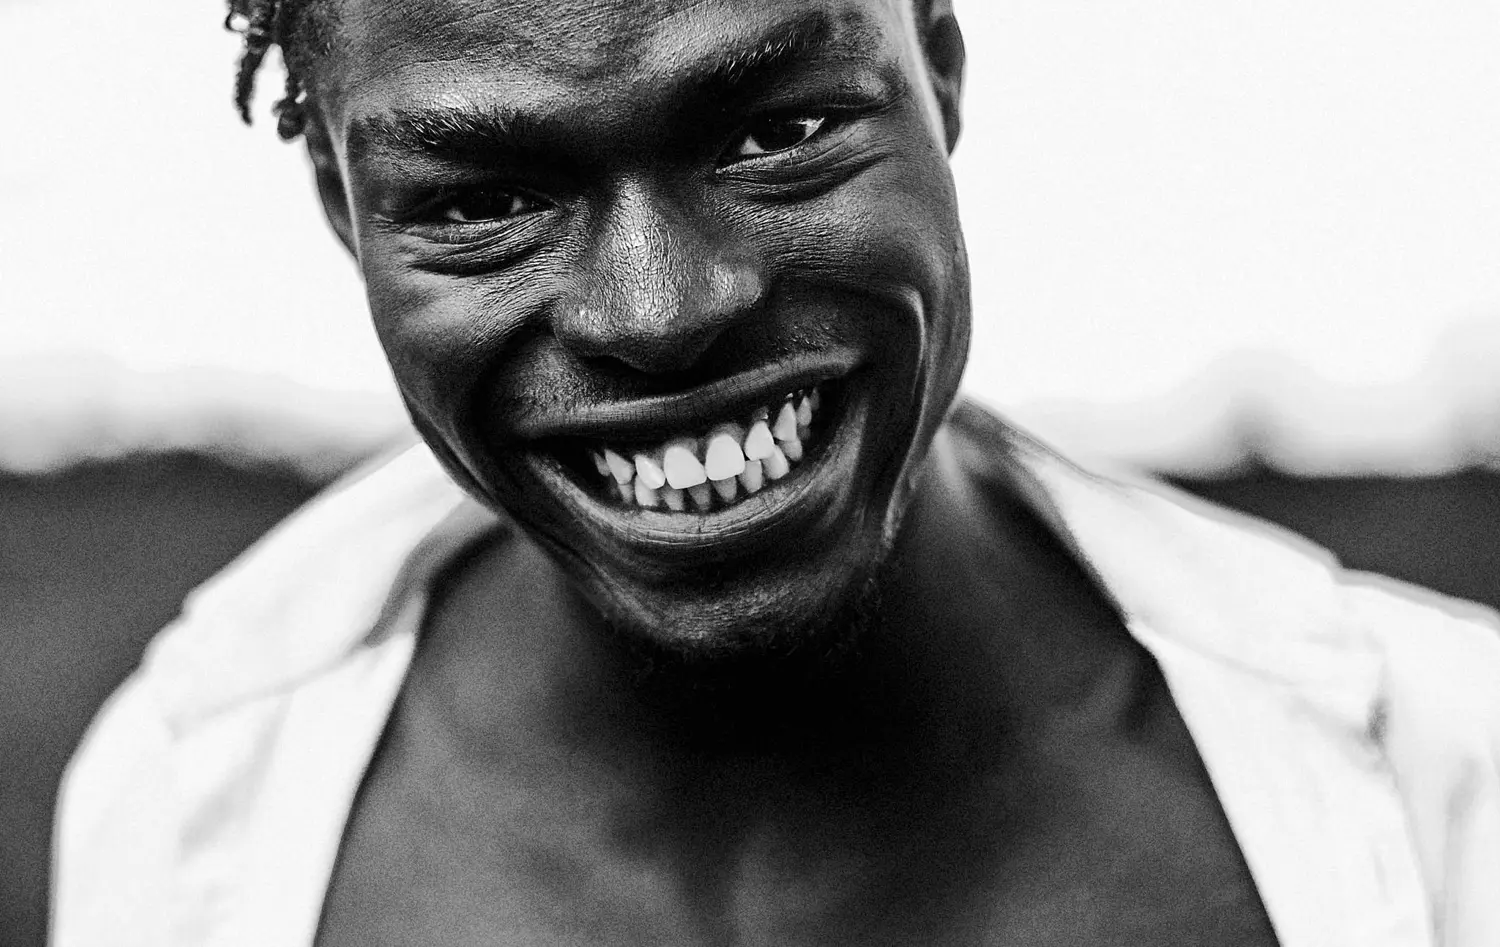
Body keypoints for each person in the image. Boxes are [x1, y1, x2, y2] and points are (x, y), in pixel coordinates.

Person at [51, 0, 1499, 944]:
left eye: (776, 132)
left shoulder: (1440, 788)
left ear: (937, 64)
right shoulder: (192, 818)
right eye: (485, 201)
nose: (660, 309)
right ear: (345, 213)